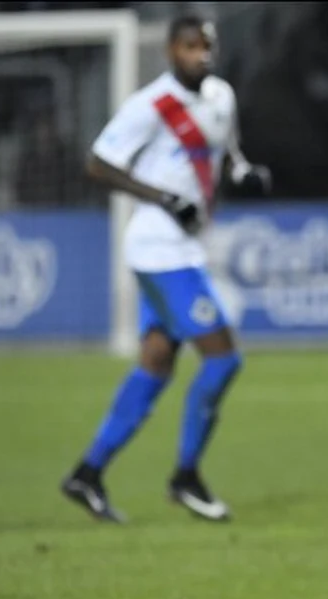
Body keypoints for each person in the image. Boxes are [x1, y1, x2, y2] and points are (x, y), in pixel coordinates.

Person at [60, 15, 271, 524]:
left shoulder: (221, 96)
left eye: (207, 45)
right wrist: (163, 198)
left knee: (155, 363)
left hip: (186, 247)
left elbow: (227, 154)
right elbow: (97, 164)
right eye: (190, 46)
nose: (201, 54)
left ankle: (87, 473)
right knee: (222, 359)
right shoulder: (150, 105)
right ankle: (185, 476)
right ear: (170, 51)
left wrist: (244, 173)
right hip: (157, 247)